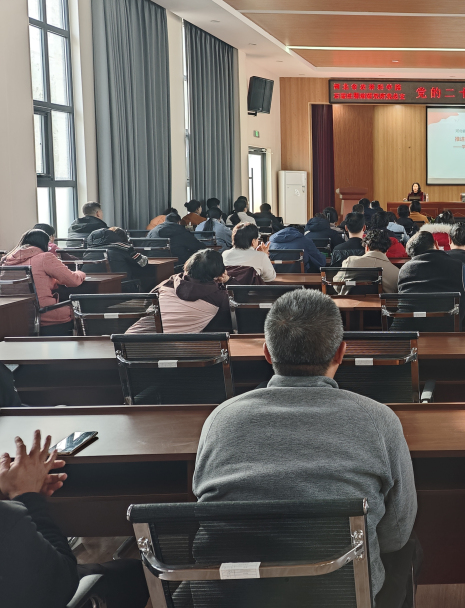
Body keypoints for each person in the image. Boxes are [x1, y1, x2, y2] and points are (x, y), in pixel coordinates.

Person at [192, 290, 419, 608]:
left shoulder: (219, 420)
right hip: (345, 597)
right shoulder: (380, 421)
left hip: (234, 598)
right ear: (341, 352)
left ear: (267, 353)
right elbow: (396, 534)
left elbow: (205, 505)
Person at [0, 430, 149, 608]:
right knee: (136, 574)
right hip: (50, 588)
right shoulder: (7, 519)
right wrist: (29, 498)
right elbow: (61, 582)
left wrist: (13, 493)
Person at [1, 229, 85, 335]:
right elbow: (73, 280)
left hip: (14, 317)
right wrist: (81, 273)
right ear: (45, 244)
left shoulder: (6, 261)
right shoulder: (44, 257)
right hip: (43, 313)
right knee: (80, 308)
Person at [129, 249, 232, 334]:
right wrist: (229, 280)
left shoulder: (168, 283)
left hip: (129, 341)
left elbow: (146, 304)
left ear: (188, 266)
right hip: (171, 348)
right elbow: (227, 323)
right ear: (219, 272)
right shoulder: (220, 297)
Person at [398, 231, 465, 320]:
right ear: (436, 244)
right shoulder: (459, 266)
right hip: (447, 323)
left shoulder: (404, 269)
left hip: (408, 324)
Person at [332, 227, 400, 294]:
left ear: (366, 247)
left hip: (350, 301)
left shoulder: (350, 262)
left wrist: (351, 284)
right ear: (387, 250)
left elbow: (336, 285)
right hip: (381, 301)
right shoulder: (396, 272)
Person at [86, 227, 151, 282]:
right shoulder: (122, 247)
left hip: (93, 288)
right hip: (121, 286)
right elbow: (143, 262)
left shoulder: (88, 251)